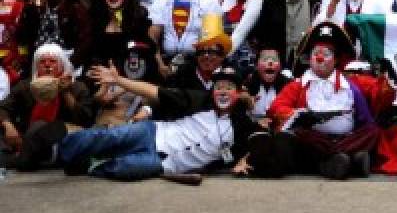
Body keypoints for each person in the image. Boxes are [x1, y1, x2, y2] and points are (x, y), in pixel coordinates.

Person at [59, 61, 254, 183]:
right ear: (213, 91)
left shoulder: (241, 124)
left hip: (166, 164)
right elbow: (154, 91)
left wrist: (245, 160)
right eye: (219, 86)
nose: (223, 91)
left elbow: (258, 141)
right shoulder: (198, 99)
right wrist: (120, 80)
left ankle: (91, 166)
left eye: (229, 87)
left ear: (238, 92)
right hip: (153, 133)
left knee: (125, 169)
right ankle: (62, 153)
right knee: (108, 137)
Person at [263, 23, 379, 179]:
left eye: (326, 53)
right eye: (316, 52)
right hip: (315, 140)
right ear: (309, 58)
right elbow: (276, 108)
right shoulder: (297, 85)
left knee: (373, 132)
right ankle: (350, 158)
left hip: (347, 138)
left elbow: (369, 114)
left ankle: (336, 158)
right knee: (300, 134)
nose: (320, 57)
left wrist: (388, 82)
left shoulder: (350, 85)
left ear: (336, 59)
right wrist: (300, 114)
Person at [0, 43, 94, 171]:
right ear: (36, 66)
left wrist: (65, 92)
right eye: (42, 62)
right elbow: (3, 107)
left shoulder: (77, 87)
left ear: (61, 65)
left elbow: (86, 119)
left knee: (40, 126)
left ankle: (24, 159)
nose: (47, 65)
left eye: (52, 61)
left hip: (61, 139)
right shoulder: (25, 86)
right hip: (26, 138)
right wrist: (8, 126)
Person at [147, 0, 223, 74]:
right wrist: (160, 65)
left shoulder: (210, 3)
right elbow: (152, 37)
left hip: (198, 65)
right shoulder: (161, 1)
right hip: (164, 63)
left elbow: (212, 43)